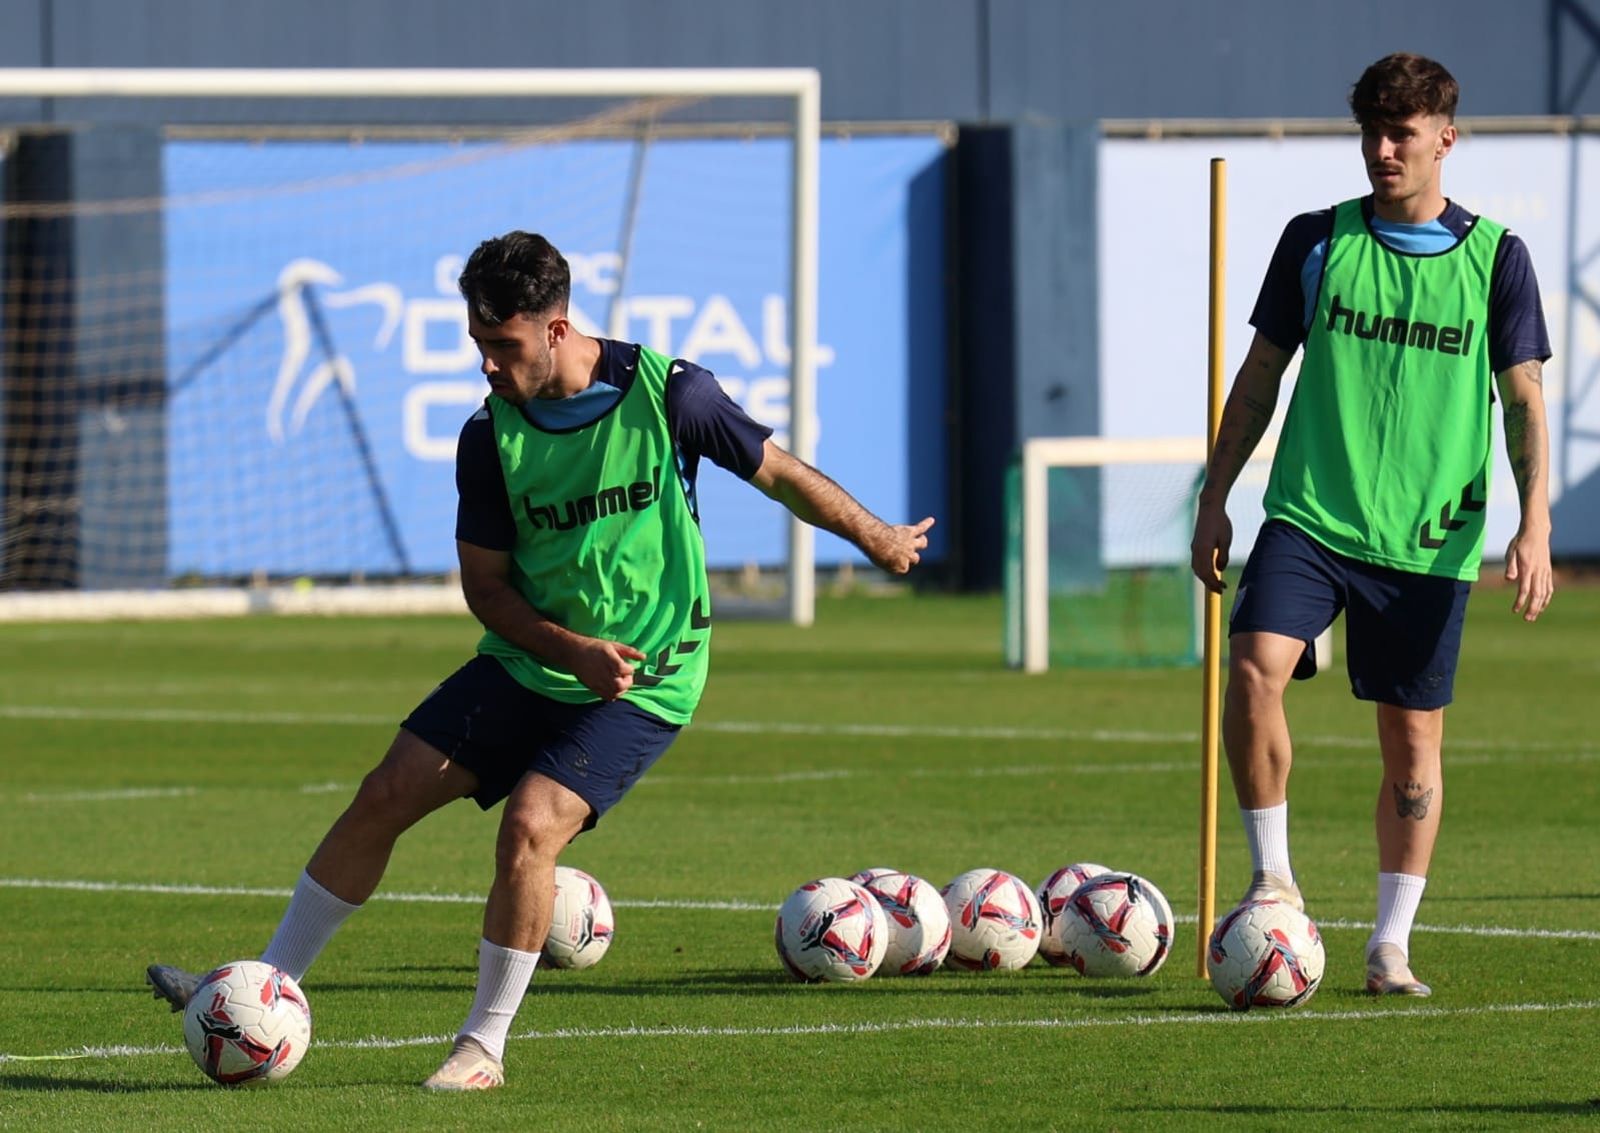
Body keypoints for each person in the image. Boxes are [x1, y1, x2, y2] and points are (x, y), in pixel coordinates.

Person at [147, 230, 934, 1089]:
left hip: (651, 677)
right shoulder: (489, 438)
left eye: (503, 345)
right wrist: (570, 650)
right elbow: (485, 589)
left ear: (556, 328)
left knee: (530, 825)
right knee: (385, 792)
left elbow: (777, 473)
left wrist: (878, 536)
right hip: (536, 659)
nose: (487, 364)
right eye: (479, 344)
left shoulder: (671, 394)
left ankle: (482, 1045)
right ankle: (267, 987)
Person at [1189, 53, 1554, 998]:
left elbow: (1522, 399)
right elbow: (1261, 377)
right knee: (1251, 664)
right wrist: (1215, 493)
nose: (1385, 151)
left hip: (1428, 544)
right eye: (1372, 133)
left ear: (1445, 138)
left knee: (1413, 749)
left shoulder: (1496, 259)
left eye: (1403, 134)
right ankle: (1274, 879)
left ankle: (1390, 943)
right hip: (1311, 517)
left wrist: (1535, 522)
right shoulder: (1318, 241)